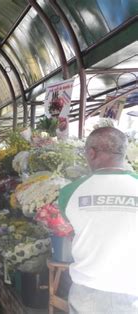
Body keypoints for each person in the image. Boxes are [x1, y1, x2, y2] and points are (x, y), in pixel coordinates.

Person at [59, 127, 137, 313]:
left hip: (87, 292)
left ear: (91, 153)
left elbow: (69, 227)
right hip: (133, 291)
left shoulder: (70, 193)